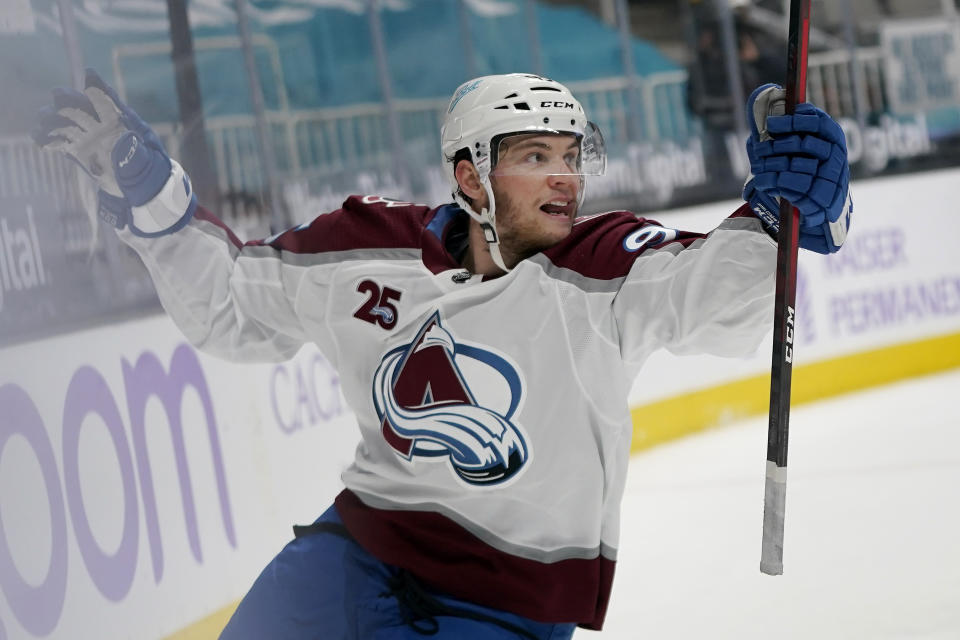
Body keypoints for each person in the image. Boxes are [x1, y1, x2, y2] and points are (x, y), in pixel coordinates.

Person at [33, 71, 851, 638]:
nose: (565, 180)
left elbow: (720, 300)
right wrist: (152, 195)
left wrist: (796, 211)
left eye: (571, 157)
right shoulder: (365, 248)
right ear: (470, 176)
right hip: (352, 558)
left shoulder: (605, 265)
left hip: (504, 606)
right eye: (536, 157)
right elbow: (230, 308)